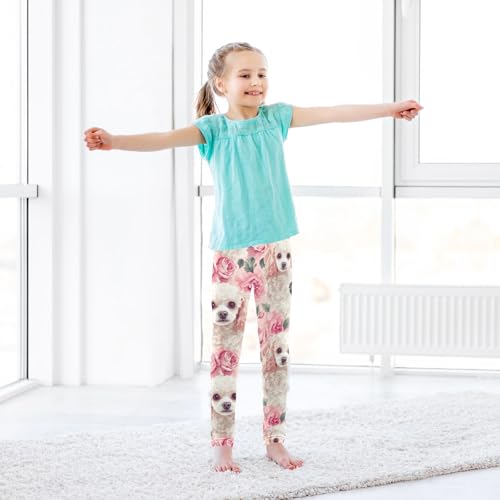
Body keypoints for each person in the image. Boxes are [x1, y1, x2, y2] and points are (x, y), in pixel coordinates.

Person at [83, 41, 423, 474]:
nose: (256, 82)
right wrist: (114, 141)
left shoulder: (276, 118)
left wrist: (390, 109)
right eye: (245, 75)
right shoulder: (212, 129)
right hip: (231, 255)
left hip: (276, 253)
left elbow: (334, 112)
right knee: (224, 352)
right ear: (221, 84)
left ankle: (274, 441)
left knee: (275, 353)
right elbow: (163, 140)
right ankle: (221, 444)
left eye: (262, 74)